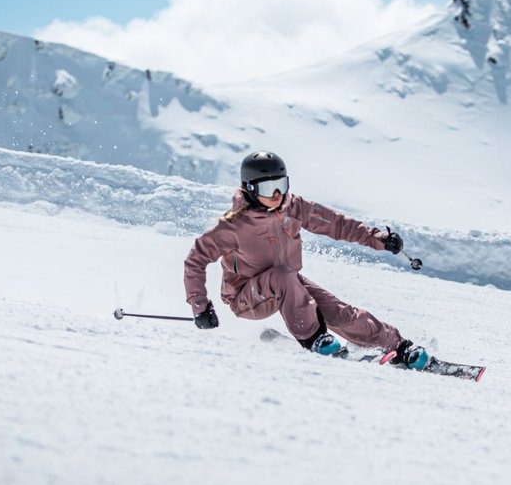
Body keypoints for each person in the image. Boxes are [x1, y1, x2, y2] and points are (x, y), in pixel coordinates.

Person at [183, 151, 430, 369]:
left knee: (340, 313)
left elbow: (336, 224)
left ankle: (396, 345)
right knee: (282, 277)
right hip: (245, 297)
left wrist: (377, 238)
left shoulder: (294, 207)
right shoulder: (233, 225)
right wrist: (200, 306)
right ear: (250, 189)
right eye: (269, 189)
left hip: (288, 283)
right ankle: (314, 338)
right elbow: (196, 260)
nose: (277, 195)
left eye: (281, 185)